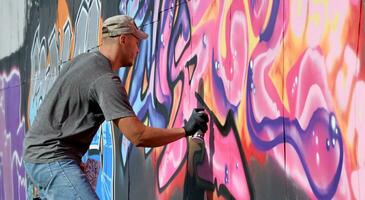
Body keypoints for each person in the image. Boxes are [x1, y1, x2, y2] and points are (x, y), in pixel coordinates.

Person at [23, 15, 209, 200]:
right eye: (137, 43)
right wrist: (185, 130)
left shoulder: (83, 61)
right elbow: (138, 136)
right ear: (123, 39)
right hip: (52, 158)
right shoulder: (104, 79)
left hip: (42, 155)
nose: (138, 50)